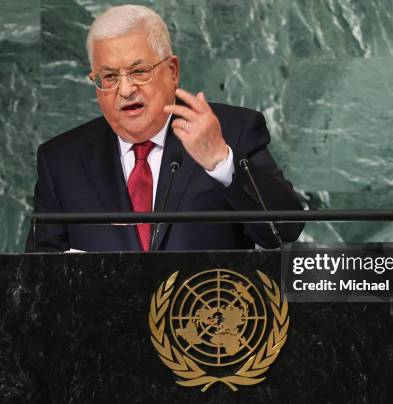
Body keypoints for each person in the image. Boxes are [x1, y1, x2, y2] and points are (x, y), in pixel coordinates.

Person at [26, 5, 303, 252]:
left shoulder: (232, 130)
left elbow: (283, 232)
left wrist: (221, 161)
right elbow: (38, 275)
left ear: (172, 71)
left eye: (139, 71)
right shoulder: (61, 160)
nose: (125, 89)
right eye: (109, 76)